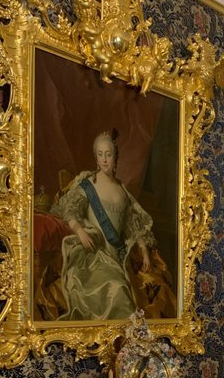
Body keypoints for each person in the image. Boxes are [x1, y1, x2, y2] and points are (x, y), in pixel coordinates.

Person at [58, 129, 176, 321]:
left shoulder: (122, 191)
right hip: (95, 257)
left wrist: (143, 250)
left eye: (109, 154)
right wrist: (80, 231)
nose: (105, 160)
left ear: (115, 158)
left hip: (119, 257)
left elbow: (132, 225)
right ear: (96, 159)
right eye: (100, 155)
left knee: (157, 285)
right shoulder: (88, 186)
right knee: (117, 288)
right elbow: (69, 211)